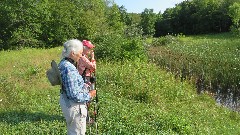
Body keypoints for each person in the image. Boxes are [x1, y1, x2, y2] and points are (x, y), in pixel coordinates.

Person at [58, 39, 96, 135]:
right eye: (80, 53)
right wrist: (89, 95)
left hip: (67, 102)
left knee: (72, 131)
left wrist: (84, 85)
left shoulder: (63, 63)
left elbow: (71, 85)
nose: (81, 55)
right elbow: (74, 95)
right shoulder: (69, 68)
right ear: (72, 53)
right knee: (77, 132)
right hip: (74, 106)